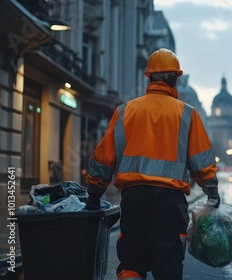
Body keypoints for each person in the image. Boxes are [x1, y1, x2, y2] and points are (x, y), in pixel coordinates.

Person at [85, 48, 220, 280]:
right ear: (176, 78)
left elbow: (103, 158)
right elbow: (202, 161)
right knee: (168, 265)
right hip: (170, 203)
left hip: (133, 199)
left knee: (131, 263)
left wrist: (94, 194)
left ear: (148, 77)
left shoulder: (125, 111)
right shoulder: (187, 114)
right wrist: (212, 191)